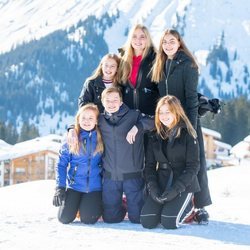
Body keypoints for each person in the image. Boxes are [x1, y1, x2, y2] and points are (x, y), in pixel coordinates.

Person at [151, 29, 211, 224]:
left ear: (179, 43)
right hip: (167, 121)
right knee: (171, 161)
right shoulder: (161, 64)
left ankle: (200, 205)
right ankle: (171, 197)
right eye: (164, 42)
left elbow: (192, 99)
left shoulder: (188, 65)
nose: (168, 45)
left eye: (172, 41)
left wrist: (191, 128)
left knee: (195, 161)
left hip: (186, 122)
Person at [140, 95, 200, 229]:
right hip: (162, 181)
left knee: (168, 221)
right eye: (161, 112)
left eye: (168, 111)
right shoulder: (154, 135)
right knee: (147, 221)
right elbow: (149, 166)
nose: (164, 115)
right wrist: (153, 187)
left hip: (183, 184)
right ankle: (167, 207)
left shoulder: (188, 134)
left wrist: (176, 189)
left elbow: (193, 166)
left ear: (176, 112)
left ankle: (191, 210)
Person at [97, 87, 154, 224]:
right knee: (110, 219)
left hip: (133, 176)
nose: (111, 103)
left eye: (115, 100)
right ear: (103, 102)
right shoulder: (99, 119)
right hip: (111, 177)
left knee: (138, 219)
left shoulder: (134, 115)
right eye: (108, 100)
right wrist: (71, 130)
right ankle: (122, 206)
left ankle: (132, 206)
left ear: (121, 102)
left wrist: (138, 127)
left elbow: (154, 121)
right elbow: (81, 121)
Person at [53, 104, 104, 224]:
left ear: (96, 120)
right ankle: (77, 206)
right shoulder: (71, 138)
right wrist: (60, 188)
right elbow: (61, 164)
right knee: (64, 218)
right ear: (78, 120)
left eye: (91, 118)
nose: (87, 121)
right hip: (74, 186)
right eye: (83, 118)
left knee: (88, 219)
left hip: (94, 187)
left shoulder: (102, 137)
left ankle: (94, 206)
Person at [118, 24, 159, 116]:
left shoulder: (155, 59)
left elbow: (161, 87)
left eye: (142, 37)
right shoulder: (122, 59)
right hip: (127, 115)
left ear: (147, 39)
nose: (138, 40)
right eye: (134, 36)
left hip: (149, 114)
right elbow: (117, 85)